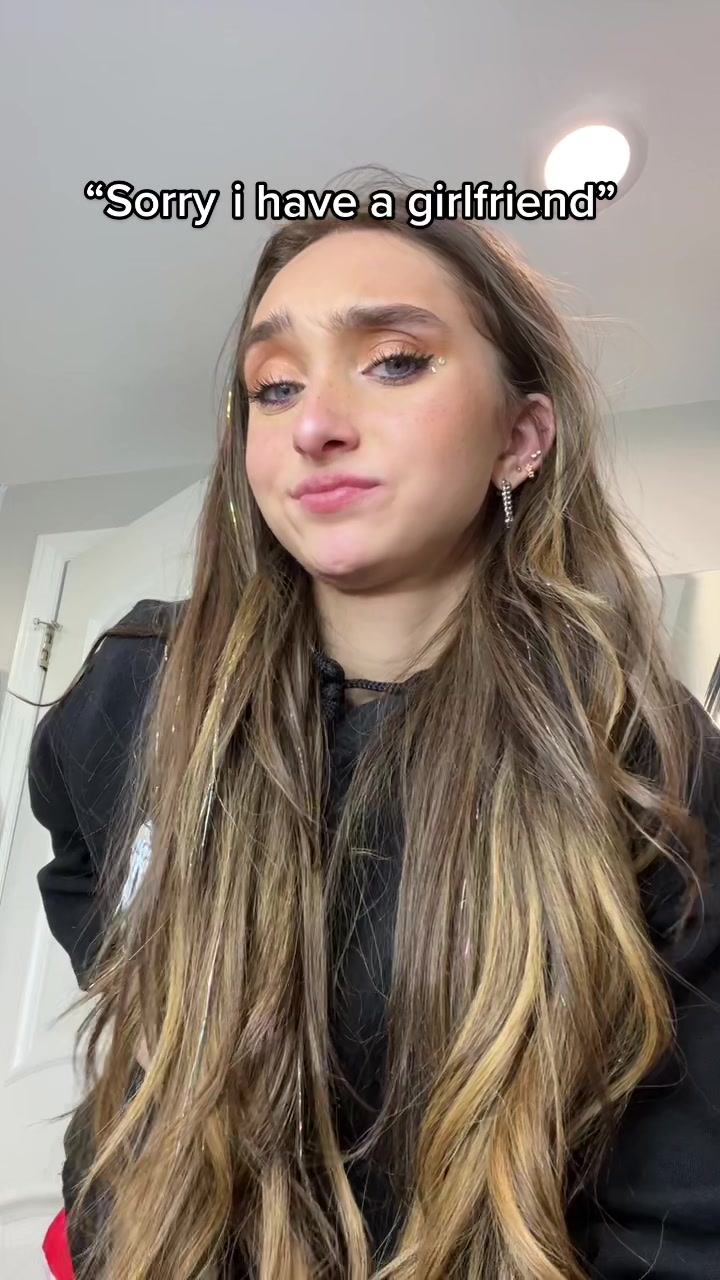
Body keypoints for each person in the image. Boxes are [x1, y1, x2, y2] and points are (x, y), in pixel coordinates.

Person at [29, 182, 720, 1280]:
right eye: (274, 386)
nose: (313, 424)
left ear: (521, 437)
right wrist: (168, 992)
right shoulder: (138, 683)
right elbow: (83, 864)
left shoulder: (644, 760)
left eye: (396, 361)